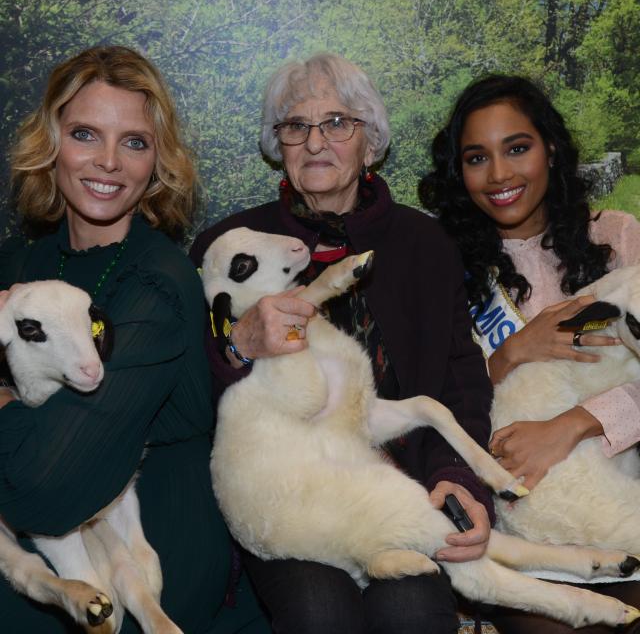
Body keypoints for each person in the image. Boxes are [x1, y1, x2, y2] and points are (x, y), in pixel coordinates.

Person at [189, 53, 494, 634]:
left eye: (337, 123)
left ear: (371, 142)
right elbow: (188, 394)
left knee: (410, 612)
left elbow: (461, 375)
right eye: (295, 126)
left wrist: (458, 474)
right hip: (290, 497)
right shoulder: (227, 248)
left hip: (402, 489)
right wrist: (238, 347)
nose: (315, 142)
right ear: (277, 145)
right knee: (317, 613)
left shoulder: (424, 242)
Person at [0, 45, 268, 634]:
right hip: (42, 525)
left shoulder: (159, 284)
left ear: (156, 162)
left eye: (135, 142)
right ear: (52, 144)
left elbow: (49, 485)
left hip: (153, 538)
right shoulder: (22, 263)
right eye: (86, 134)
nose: (108, 162)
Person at [420, 73, 640, 633]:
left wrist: (573, 424)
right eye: (477, 157)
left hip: (626, 506)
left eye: (517, 148)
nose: (499, 175)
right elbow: (431, 403)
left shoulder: (618, 238)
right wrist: (509, 354)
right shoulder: (440, 266)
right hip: (518, 529)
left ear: (551, 149)